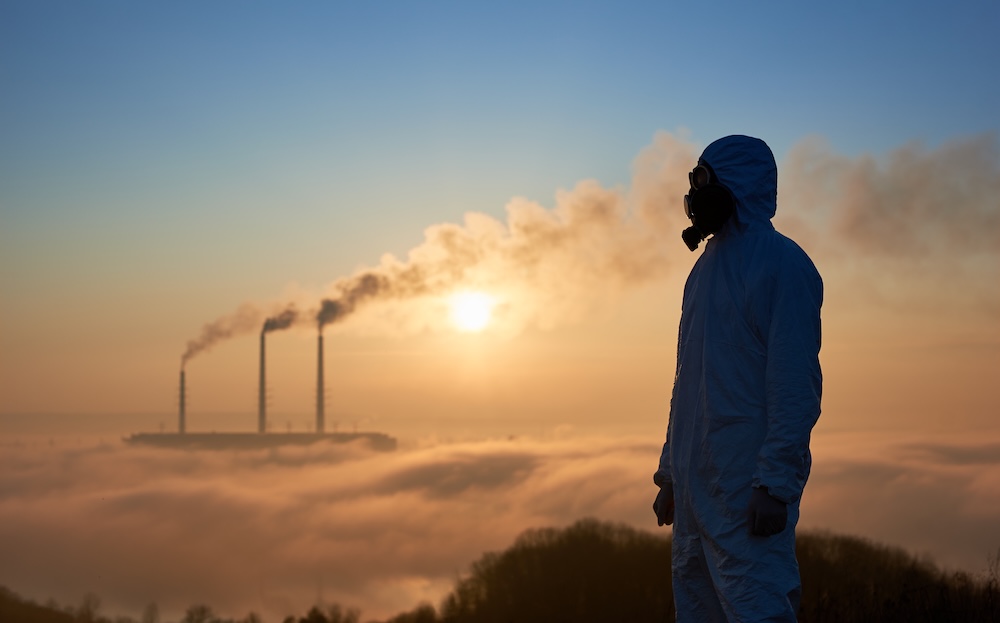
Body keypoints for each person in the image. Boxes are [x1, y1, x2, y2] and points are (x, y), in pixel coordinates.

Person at [653, 135, 823, 622]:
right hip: (695, 490)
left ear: (738, 183)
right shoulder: (702, 273)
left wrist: (775, 484)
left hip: (746, 490)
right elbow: (686, 384)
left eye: (705, 181)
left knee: (759, 609)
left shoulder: (783, 264)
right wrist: (671, 476)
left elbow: (794, 384)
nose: (696, 195)